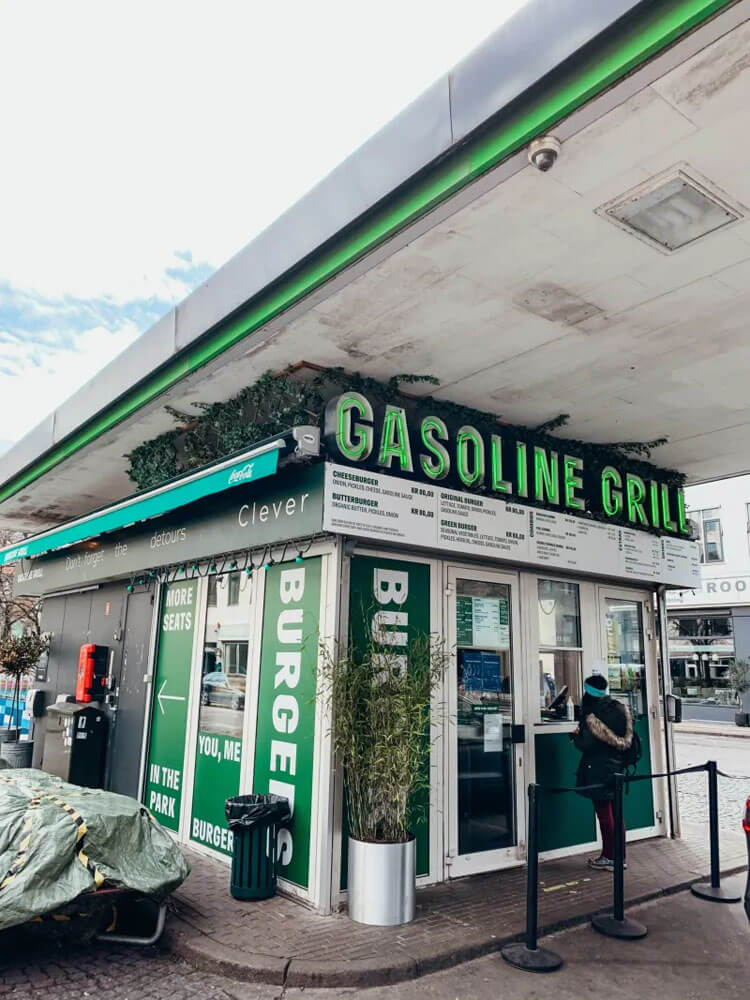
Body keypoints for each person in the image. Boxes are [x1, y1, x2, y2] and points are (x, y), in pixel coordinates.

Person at [572, 674, 633, 871]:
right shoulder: (619, 707)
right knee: (617, 812)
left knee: (604, 813)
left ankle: (609, 856)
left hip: (597, 768)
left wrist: (574, 738)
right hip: (617, 767)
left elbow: (586, 744)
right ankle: (620, 856)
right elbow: (626, 738)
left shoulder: (592, 714)